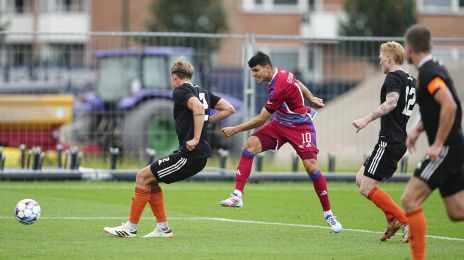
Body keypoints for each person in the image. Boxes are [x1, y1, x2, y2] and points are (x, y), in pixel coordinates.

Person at [104, 57, 235, 238]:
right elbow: (228, 108)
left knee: (142, 176)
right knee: (150, 180)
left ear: (174, 76)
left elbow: (197, 107)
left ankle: (130, 228)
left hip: (190, 154)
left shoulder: (181, 91)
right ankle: (163, 228)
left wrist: (196, 137)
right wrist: (206, 121)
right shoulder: (202, 91)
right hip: (195, 155)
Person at [219, 51, 342, 233]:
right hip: (279, 124)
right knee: (249, 147)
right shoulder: (281, 73)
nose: (254, 75)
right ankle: (237, 196)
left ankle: (328, 214)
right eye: (252, 71)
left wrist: (235, 129)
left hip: (300, 127)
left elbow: (261, 119)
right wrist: (312, 97)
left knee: (311, 167)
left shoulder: (279, 87)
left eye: (256, 70)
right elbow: (298, 83)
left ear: (267, 68)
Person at [402, 24, 464, 260]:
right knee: (457, 211)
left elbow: (449, 105)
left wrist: (437, 144)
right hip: (453, 147)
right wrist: (418, 129)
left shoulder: (429, 73)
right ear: (430, 45)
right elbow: (436, 109)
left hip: (447, 148)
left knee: (409, 199)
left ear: (408, 49)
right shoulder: (432, 69)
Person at [352, 41, 416, 243]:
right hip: (396, 139)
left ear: (389, 58)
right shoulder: (410, 79)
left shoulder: (394, 77)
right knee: (360, 178)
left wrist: (366, 119)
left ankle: (406, 221)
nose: (379, 60)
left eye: (381, 56)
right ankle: (393, 220)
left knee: (366, 187)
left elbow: (391, 103)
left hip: (390, 141)